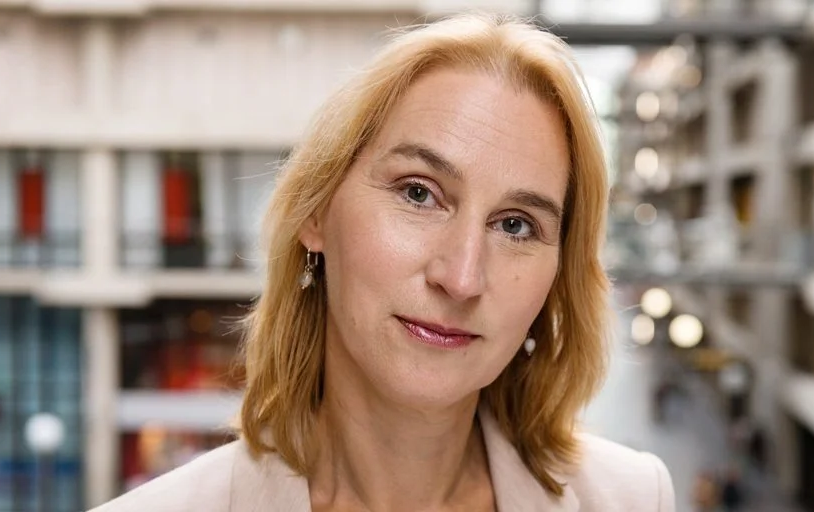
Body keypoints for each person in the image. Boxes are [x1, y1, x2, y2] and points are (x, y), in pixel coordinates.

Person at [92, 13, 675, 512]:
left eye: (516, 225)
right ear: (317, 212)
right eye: (419, 193)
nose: (462, 277)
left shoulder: (631, 498)